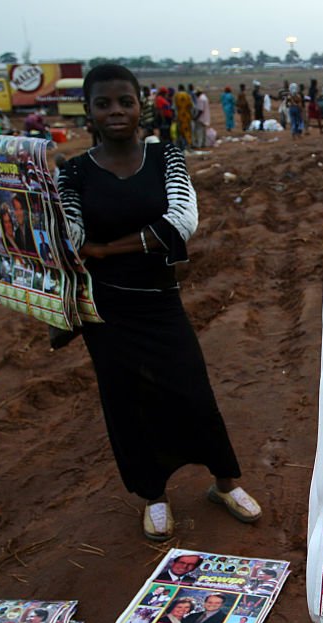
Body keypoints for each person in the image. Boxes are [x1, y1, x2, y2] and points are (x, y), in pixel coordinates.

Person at [58, 65, 261, 542]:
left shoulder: (166, 156)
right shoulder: (72, 173)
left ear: (140, 106)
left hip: (160, 301)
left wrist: (106, 249)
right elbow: (70, 236)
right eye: (103, 103)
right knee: (127, 403)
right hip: (104, 312)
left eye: (124, 102)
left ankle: (224, 483)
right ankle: (154, 496)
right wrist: (105, 245)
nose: (115, 112)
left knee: (192, 391)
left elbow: (181, 222)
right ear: (88, 110)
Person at [173, 84, 194, 149]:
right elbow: (191, 106)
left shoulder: (176, 96)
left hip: (180, 116)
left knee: (180, 131)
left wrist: (175, 116)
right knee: (188, 130)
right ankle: (189, 144)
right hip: (187, 116)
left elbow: (174, 107)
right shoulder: (187, 95)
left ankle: (182, 145)